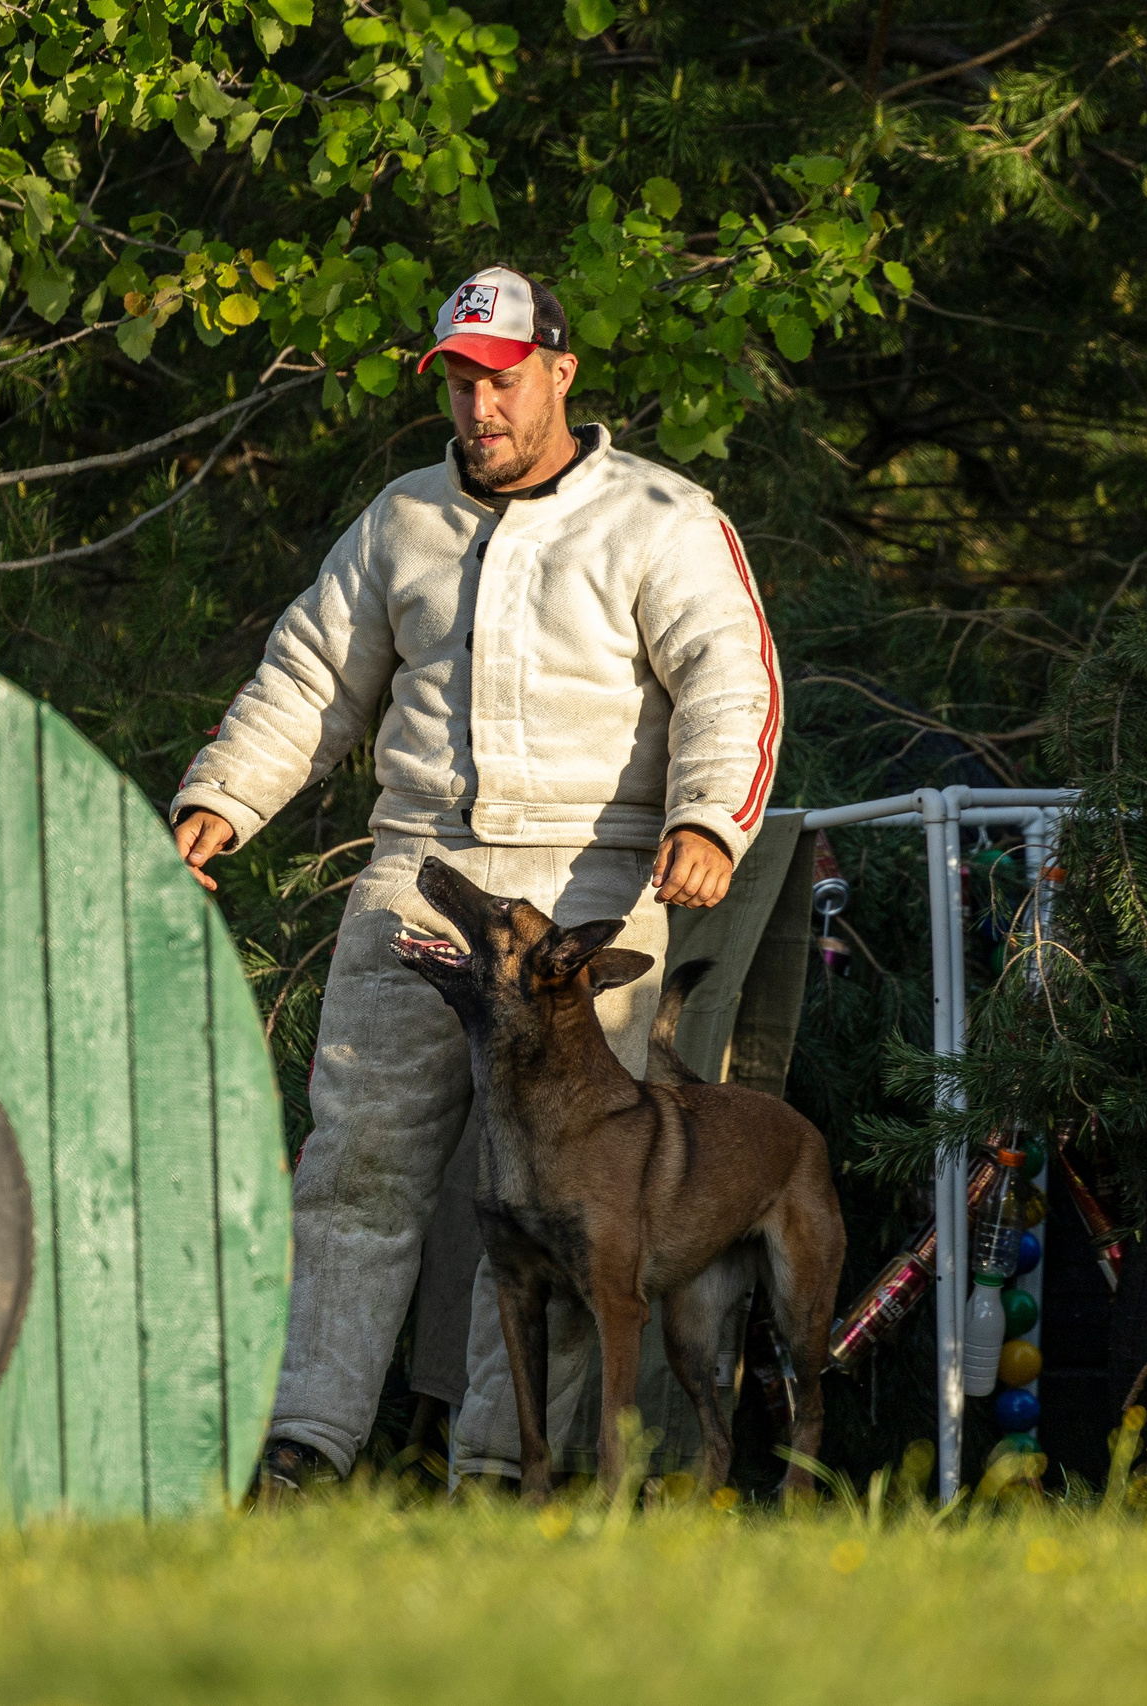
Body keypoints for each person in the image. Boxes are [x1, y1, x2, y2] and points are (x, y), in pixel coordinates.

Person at [169, 264, 781, 1490]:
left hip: (586, 888)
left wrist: (710, 817)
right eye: (458, 381)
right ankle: (306, 1440)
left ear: (558, 369)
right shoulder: (400, 520)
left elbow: (731, 674)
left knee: (569, 1203)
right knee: (355, 1165)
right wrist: (220, 796)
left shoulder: (662, 515)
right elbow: (309, 675)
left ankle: (506, 1463)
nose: (478, 408)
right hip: (419, 875)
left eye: (499, 381)